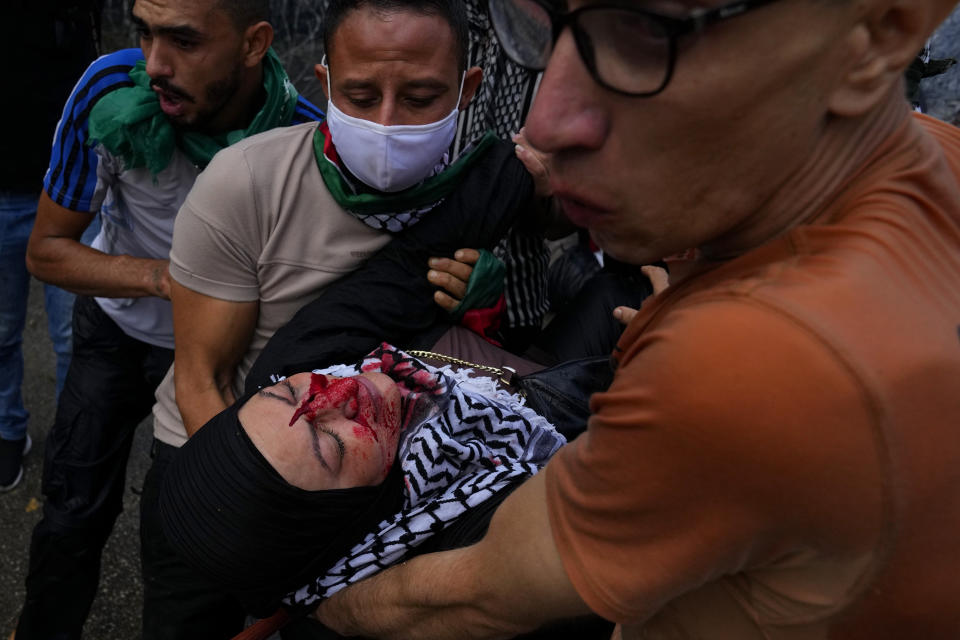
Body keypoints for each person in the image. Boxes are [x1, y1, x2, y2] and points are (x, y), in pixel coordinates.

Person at [309, 0, 960, 638]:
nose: (544, 127)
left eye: (644, 31)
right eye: (552, 23)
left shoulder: (747, 365)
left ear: (877, 35)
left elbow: (470, 597)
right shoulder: (932, 156)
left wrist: (312, 608)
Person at [16, 0, 323, 636]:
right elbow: (48, 250)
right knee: (71, 513)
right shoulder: (110, 92)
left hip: (222, 360)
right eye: (145, 31)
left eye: (183, 39)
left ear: (254, 43)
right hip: (115, 337)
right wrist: (168, 279)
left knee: (193, 535)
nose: (154, 64)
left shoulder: (304, 139)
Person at [159, 342, 565, 636]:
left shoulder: (301, 354)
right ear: (350, 515)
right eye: (332, 445)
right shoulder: (477, 528)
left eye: (289, 392)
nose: (340, 391)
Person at [0, 2, 100, 492]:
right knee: (0, 332)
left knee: (74, 337)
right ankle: (5, 429)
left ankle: (71, 441)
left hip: (73, 191)